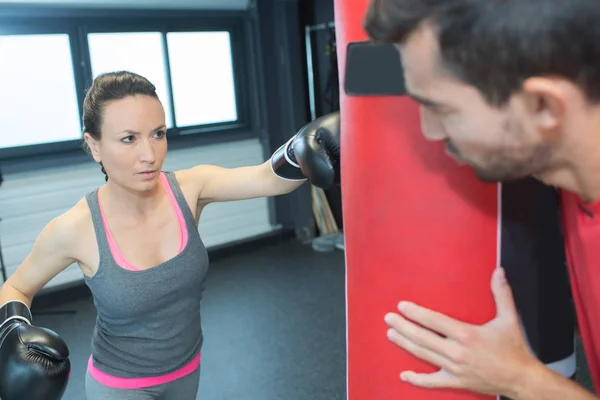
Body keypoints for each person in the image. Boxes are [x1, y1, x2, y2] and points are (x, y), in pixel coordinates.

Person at [0, 70, 341, 400]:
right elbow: (15, 287)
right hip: (118, 387)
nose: (149, 155)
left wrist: (300, 148)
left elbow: (267, 178)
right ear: (94, 146)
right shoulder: (75, 228)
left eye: (158, 134)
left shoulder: (191, 188)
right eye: (129, 138)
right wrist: (13, 331)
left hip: (186, 373)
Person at [359, 0, 600, 399]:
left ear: (542, 106)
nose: (430, 133)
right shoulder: (568, 171)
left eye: (442, 110)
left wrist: (521, 380)